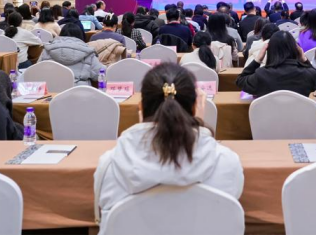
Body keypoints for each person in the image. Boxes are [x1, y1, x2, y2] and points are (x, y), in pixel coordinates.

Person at [94, 64, 244, 229]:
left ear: (141, 107)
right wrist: (198, 123)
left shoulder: (109, 165)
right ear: (196, 107)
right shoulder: (227, 163)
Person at [236, 31, 316, 97]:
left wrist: (257, 60)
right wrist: (304, 59)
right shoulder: (308, 75)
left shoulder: (261, 75)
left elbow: (240, 80)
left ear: (270, 50)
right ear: (296, 50)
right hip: (299, 115)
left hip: (268, 115)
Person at [38, 23, 106, 86]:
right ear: (81, 36)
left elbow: (37, 72)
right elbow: (99, 75)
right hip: (79, 92)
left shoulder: (47, 50)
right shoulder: (88, 52)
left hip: (50, 91)